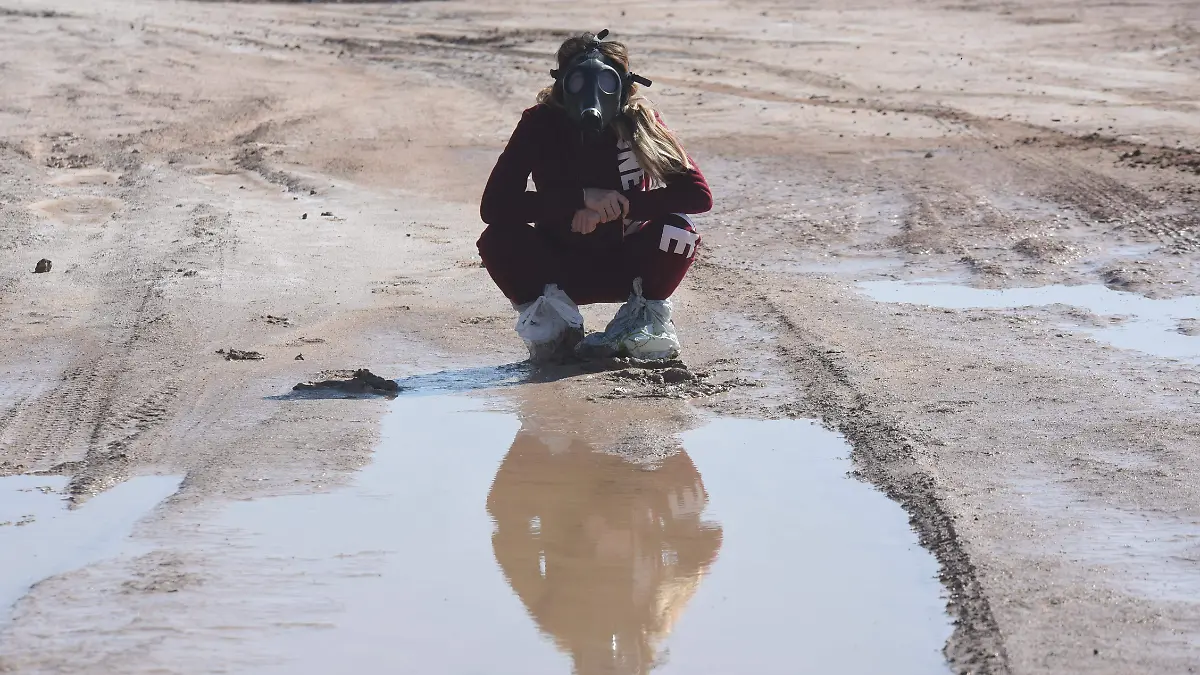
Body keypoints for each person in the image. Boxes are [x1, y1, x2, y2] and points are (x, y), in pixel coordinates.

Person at [478, 30, 713, 363]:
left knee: (678, 230)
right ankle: (555, 329)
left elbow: (699, 196)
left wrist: (619, 206)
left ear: (623, 85)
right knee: (497, 238)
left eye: (605, 83)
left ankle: (643, 323)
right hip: (558, 268)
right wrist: (579, 199)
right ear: (563, 85)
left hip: (626, 266)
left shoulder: (640, 120)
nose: (592, 95)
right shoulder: (539, 124)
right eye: (578, 83)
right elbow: (494, 206)